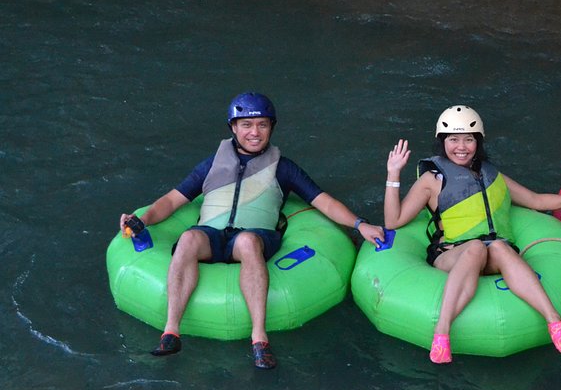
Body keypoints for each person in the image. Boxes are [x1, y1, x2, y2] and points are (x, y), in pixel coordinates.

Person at [118, 93, 384, 370]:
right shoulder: (212, 164)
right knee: (188, 238)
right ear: (233, 127)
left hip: (255, 236)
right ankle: (171, 332)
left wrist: (359, 224)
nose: (254, 133)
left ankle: (259, 338)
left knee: (246, 241)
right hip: (212, 236)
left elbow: (323, 201)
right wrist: (142, 219)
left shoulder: (284, 168)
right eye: (246, 125)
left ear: (271, 128)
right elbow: (172, 200)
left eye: (262, 125)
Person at [383, 105, 561, 364]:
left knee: (499, 247)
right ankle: (442, 333)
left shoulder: (491, 175)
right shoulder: (432, 180)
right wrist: (393, 173)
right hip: (452, 254)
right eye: (453, 139)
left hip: (491, 252)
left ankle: (554, 321)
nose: (461, 146)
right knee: (476, 247)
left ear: (478, 142)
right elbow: (393, 220)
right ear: (442, 142)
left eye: (469, 139)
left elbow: (535, 200)